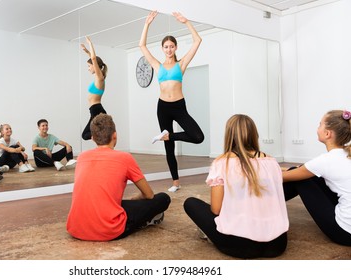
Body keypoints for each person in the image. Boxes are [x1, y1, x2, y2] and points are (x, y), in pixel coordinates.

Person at [183, 114, 289, 258]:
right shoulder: (272, 162)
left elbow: (216, 209)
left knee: (191, 203)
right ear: (254, 134)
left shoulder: (221, 163)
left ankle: (212, 234)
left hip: (240, 246)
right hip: (277, 244)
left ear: (229, 135)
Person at [67, 114, 171, 241]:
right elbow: (148, 195)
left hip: (75, 228)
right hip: (108, 230)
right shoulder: (124, 158)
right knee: (163, 198)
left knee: (111, 203)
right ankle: (144, 221)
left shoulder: (82, 157)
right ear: (115, 135)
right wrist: (135, 200)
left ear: (93, 138)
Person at [139, 11, 204, 192]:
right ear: (162, 49)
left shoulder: (181, 64)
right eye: (166, 47)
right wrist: (147, 24)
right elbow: (142, 45)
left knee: (198, 136)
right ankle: (175, 182)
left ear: (175, 48)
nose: (168, 49)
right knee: (169, 149)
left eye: (171, 46)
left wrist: (187, 22)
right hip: (163, 108)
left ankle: (167, 135)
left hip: (179, 106)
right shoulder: (157, 65)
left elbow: (197, 41)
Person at [283, 110, 351, 246]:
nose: (317, 128)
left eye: (320, 125)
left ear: (327, 133)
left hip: (345, 233)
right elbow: (304, 169)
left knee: (301, 178)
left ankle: (259, 205)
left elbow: (282, 177)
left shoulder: (325, 161)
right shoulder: (345, 155)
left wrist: (256, 170)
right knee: (306, 173)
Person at [80, 36, 108, 140]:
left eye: (89, 66)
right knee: (86, 135)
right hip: (94, 110)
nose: (88, 68)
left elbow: (93, 59)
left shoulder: (99, 77)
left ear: (94, 66)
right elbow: (93, 60)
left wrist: (90, 44)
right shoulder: (98, 78)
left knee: (86, 135)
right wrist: (86, 51)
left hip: (97, 110)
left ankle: (104, 139)